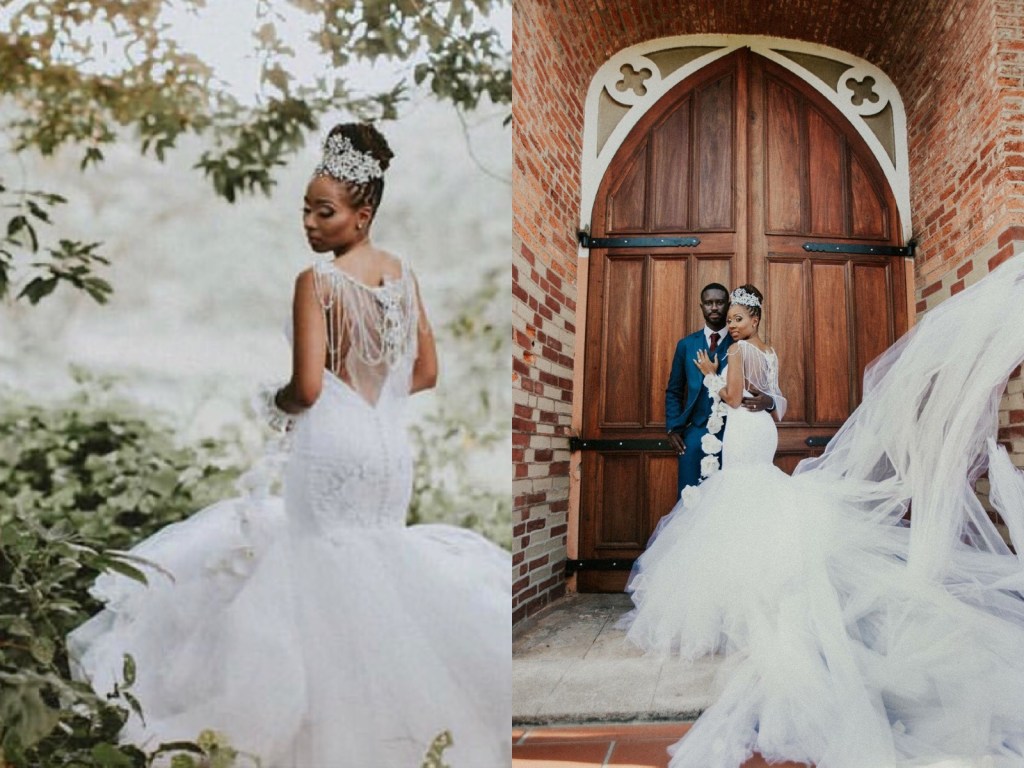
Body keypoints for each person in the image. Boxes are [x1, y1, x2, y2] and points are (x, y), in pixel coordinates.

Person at [68, 123, 512, 767]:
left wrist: (271, 402)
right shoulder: (403, 277)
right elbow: (425, 374)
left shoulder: (317, 282)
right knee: (376, 565)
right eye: (305, 209)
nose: (309, 222)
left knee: (315, 565)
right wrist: (374, 397)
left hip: (331, 442)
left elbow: (306, 387)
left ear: (362, 215)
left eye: (324, 211)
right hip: (387, 447)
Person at [625, 271, 1024, 768]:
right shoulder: (768, 351)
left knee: (737, 503)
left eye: (737, 317)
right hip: (761, 432)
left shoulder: (739, 351)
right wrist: (756, 399)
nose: (730, 323)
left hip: (744, 432)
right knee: (756, 497)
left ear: (753, 319)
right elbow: (776, 400)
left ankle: (743, 603)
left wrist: (710, 371)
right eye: (729, 317)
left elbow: (731, 397)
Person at [665, 282, 773, 497]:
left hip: (734, 435)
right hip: (695, 434)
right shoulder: (686, 345)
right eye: (708, 303)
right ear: (701, 306)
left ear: (728, 305)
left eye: (720, 302)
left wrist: (769, 401)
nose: (714, 307)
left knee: (729, 499)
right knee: (690, 498)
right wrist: (673, 428)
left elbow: (763, 384)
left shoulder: (742, 341)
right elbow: (674, 391)